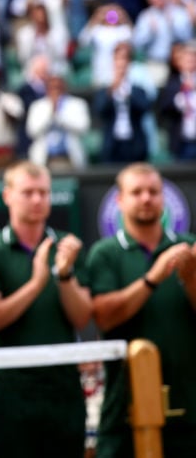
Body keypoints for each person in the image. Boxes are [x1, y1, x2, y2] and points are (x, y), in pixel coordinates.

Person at [0, 161, 93, 458]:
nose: (38, 200)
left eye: (43, 192)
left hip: (62, 388)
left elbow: (82, 317)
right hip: (9, 392)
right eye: (28, 192)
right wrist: (38, 281)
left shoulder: (68, 247)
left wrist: (65, 275)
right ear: (7, 196)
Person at [85, 163, 196, 457]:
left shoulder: (189, 247)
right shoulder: (105, 253)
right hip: (124, 408)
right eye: (137, 192)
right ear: (120, 200)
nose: (146, 198)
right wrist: (153, 278)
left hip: (190, 406)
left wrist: (191, 279)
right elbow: (103, 316)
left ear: (164, 198)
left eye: (153, 192)